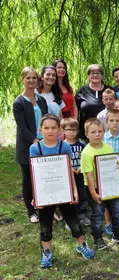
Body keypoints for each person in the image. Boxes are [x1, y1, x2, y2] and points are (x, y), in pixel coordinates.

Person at [30, 114, 94, 268]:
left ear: (59, 130)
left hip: (63, 190)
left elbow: (69, 170)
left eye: (53, 128)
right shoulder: (35, 148)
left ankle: (81, 244)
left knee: (73, 220)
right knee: (45, 224)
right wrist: (35, 196)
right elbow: (34, 174)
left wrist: (74, 191)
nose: (50, 131)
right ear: (41, 130)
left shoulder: (64, 146)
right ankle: (47, 252)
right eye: (46, 128)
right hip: (45, 192)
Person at [81, 118, 119, 250]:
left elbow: (114, 167)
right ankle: (98, 239)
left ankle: (118, 232)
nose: (97, 134)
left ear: (104, 132)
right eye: (93, 132)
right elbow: (89, 175)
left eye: (100, 131)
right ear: (87, 134)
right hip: (95, 188)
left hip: (111, 186)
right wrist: (93, 192)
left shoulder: (108, 147)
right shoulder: (86, 153)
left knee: (117, 210)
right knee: (97, 214)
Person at [13, 67, 48, 223]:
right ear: (23, 80)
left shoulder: (41, 100)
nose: (31, 81)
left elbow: (47, 121)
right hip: (27, 146)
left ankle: (45, 205)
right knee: (28, 179)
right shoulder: (18, 102)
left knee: (43, 177)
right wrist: (36, 142)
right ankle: (31, 211)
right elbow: (22, 128)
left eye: (34, 78)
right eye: (28, 78)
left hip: (44, 144)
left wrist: (47, 140)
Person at [61, 118, 91, 226]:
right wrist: (70, 168)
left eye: (74, 130)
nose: (71, 132)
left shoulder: (82, 145)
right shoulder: (62, 146)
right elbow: (61, 161)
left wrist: (81, 167)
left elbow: (85, 158)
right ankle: (70, 218)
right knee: (70, 196)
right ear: (63, 131)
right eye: (69, 130)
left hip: (80, 174)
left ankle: (82, 214)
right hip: (68, 175)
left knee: (82, 194)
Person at [75, 64, 111, 140]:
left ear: (102, 76)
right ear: (88, 76)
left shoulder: (109, 90)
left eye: (98, 73)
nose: (95, 75)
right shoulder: (82, 90)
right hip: (86, 134)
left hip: (106, 133)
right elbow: (75, 110)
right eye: (92, 73)